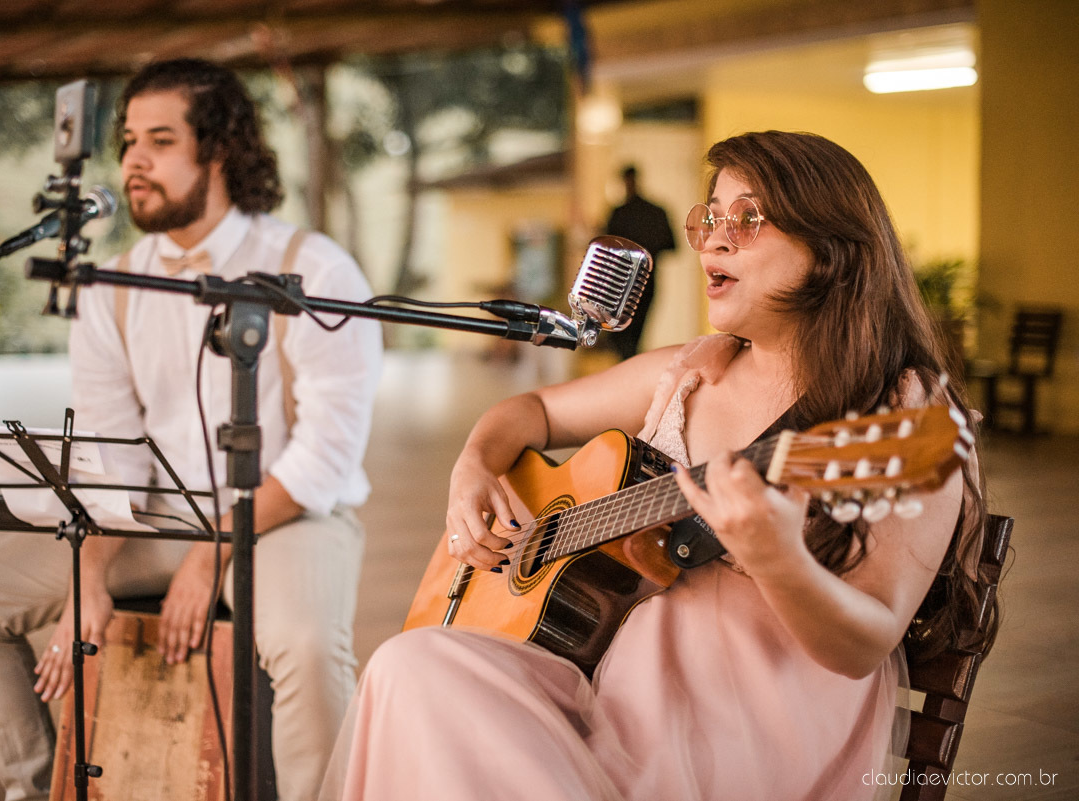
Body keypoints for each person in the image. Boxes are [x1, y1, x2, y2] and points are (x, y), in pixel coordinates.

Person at [318, 131, 992, 801]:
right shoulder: (688, 373)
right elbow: (529, 411)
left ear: (830, 253)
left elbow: (866, 642)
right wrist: (472, 468)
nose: (713, 240)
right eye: (711, 216)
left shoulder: (903, 412)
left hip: (763, 718)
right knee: (410, 664)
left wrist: (779, 556)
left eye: (749, 218)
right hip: (618, 692)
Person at [0, 58, 383, 801]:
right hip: (154, 518)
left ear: (220, 150)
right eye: (129, 140)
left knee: (303, 641)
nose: (134, 160)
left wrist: (210, 557)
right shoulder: (109, 288)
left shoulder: (315, 269)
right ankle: (38, 786)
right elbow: (113, 462)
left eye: (161, 140)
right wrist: (92, 574)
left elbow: (324, 460)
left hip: (286, 516)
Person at [604, 165, 676, 359]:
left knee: (628, 338)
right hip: (635, 283)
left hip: (627, 283)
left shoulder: (622, 214)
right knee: (628, 338)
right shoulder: (652, 212)